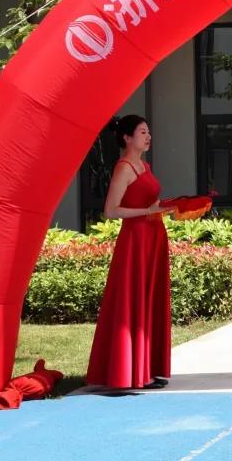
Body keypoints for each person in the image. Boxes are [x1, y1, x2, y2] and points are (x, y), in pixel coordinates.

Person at [86, 115, 176, 390]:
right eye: (142, 132)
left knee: (150, 298)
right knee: (134, 298)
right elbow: (111, 211)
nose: (148, 137)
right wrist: (148, 211)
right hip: (136, 240)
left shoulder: (144, 166)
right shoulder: (124, 168)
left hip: (153, 236)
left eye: (148, 132)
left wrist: (171, 207)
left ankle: (147, 368)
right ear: (127, 138)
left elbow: (150, 203)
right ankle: (131, 372)